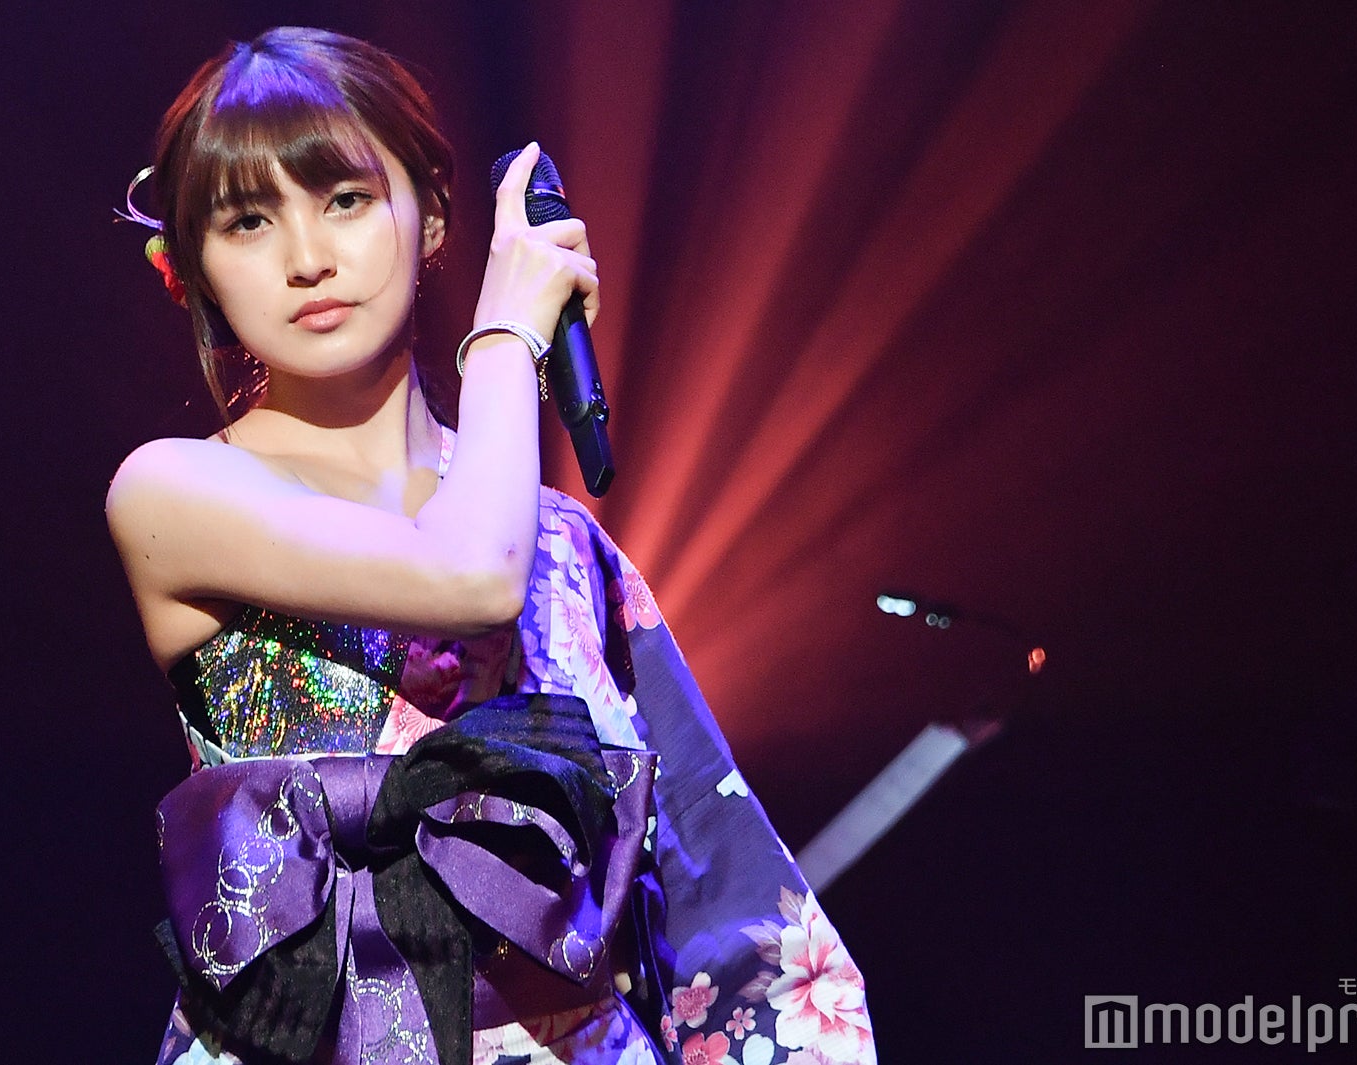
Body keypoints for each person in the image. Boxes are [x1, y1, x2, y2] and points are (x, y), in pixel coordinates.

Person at [107, 27, 875, 1065]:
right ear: (191, 267)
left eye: (346, 199)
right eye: (248, 221)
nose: (306, 258)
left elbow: (707, 864)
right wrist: (509, 332)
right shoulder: (173, 491)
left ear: (431, 214)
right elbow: (470, 575)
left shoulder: (561, 540)